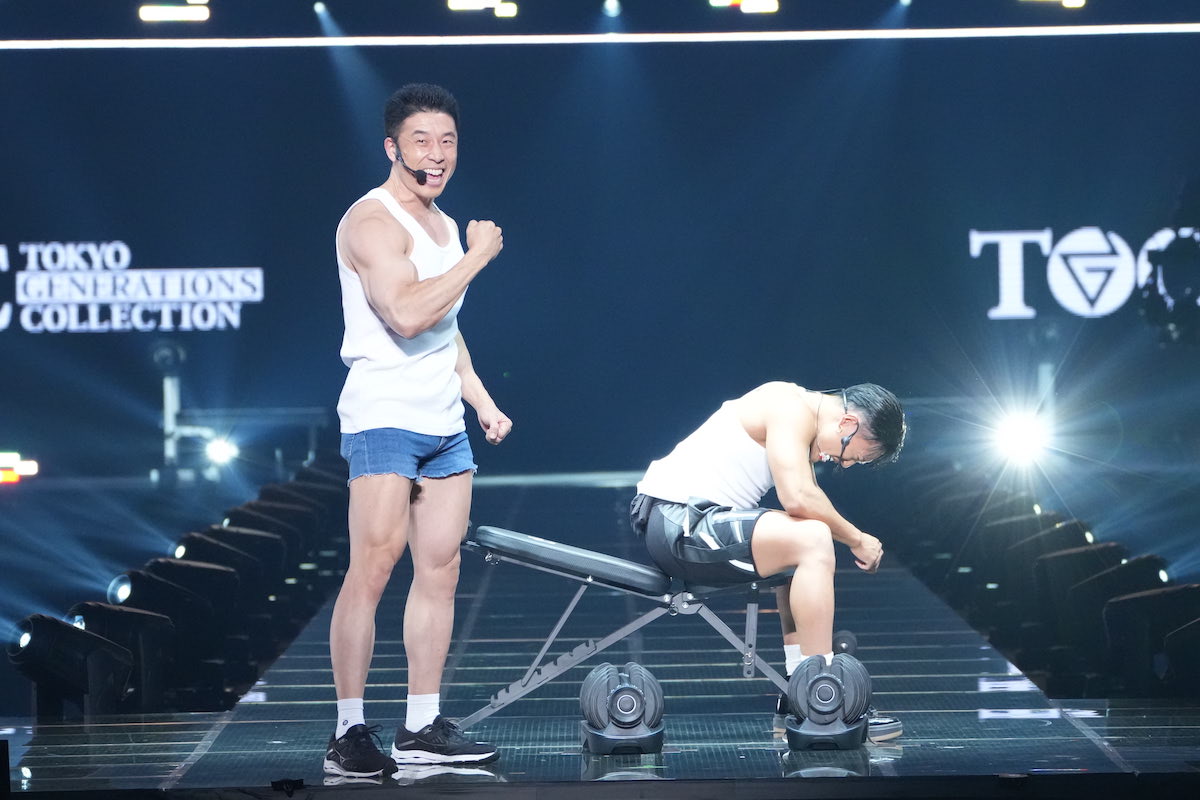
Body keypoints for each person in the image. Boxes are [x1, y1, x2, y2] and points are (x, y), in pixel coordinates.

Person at [324, 83, 511, 779]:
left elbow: (444, 329)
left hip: (443, 424)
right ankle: (347, 734)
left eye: (447, 141)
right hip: (384, 416)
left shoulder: (444, 224)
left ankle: (422, 726)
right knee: (372, 570)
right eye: (422, 141)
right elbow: (405, 315)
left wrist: (481, 401)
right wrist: (477, 257)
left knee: (441, 570)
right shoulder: (372, 222)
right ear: (392, 147)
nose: (436, 154)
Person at [629, 381, 906, 737]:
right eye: (849, 455)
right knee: (812, 538)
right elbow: (799, 497)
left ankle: (799, 690)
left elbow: (805, 501)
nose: (843, 463)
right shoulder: (790, 407)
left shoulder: (798, 412)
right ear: (847, 423)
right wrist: (858, 539)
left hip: (682, 522)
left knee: (798, 544)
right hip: (679, 523)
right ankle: (823, 697)